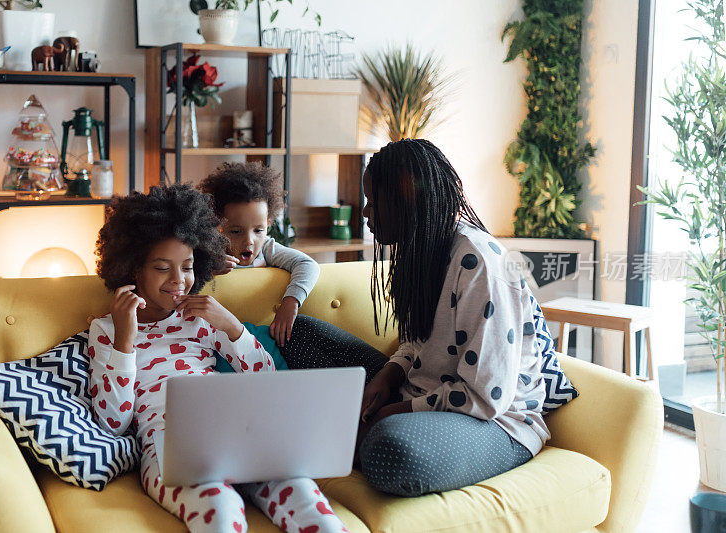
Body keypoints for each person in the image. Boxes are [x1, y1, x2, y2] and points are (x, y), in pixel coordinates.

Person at [280, 139, 551, 498]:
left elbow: (486, 398)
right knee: (297, 333)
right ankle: (339, 428)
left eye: (373, 203)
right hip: (424, 392)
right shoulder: (421, 247)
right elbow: (420, 340)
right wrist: (386, 376)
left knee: (389, 450)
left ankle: (339, 430)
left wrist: (395, 411)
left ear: (407, 202)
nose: (365, 213)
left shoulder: (479, 264)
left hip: (495, 423)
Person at [87, 184, 346, 533]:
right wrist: (125, 339)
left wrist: (233, 326)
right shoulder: (107, 329)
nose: (179, 281)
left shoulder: (201, 316)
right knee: (220, 513)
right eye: (163, 268)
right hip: (169, 446)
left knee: (310, 507)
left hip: (239, 430)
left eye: (188, 267)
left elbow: (265, 377)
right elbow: (112, 423)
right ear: (135, 269)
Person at [199, 162, 320, 347]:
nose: (249, 240)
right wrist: (209, 266)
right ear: (218, 228)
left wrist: (291, 301)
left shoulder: (266, 248)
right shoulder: (208, 251)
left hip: (261, 339)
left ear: (268, 224)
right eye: (236, 231)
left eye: (258, 230)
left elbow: (307, 264)